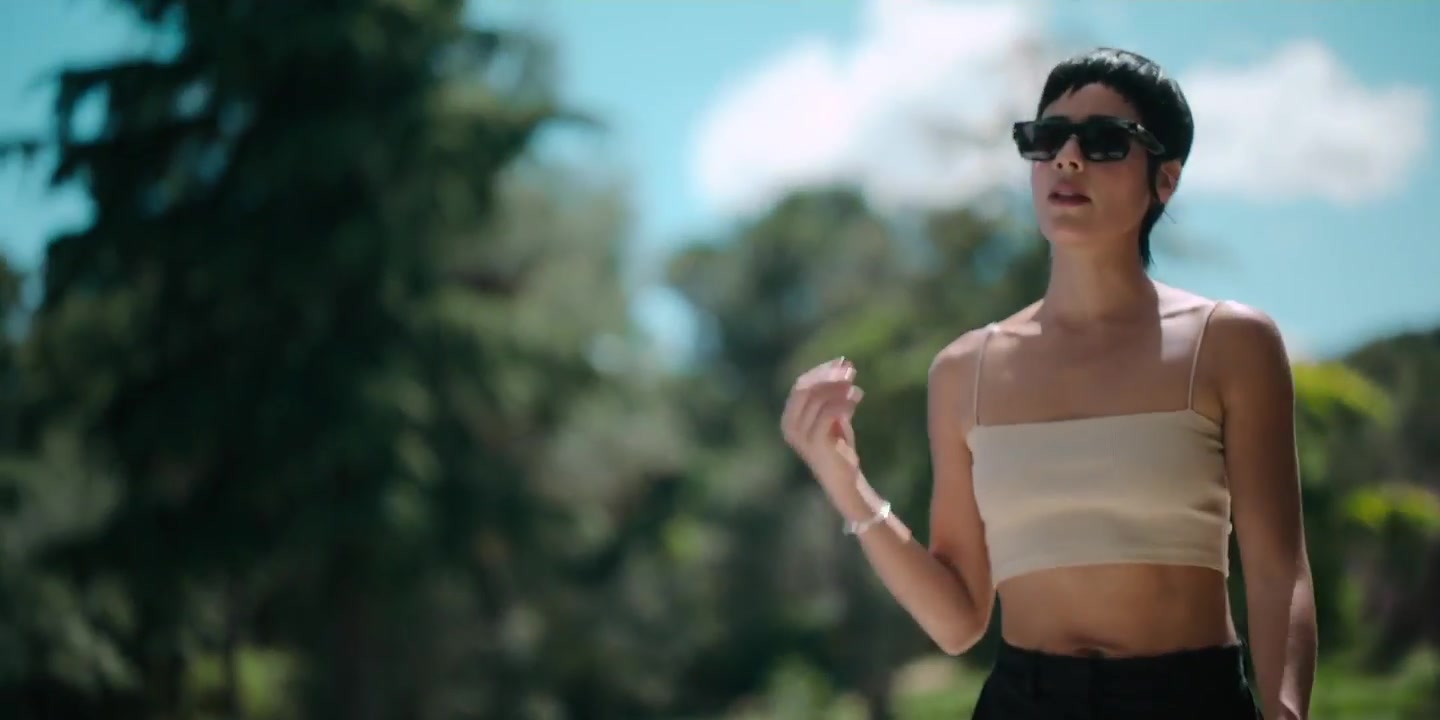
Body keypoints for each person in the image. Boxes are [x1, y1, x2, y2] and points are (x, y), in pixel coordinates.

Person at [780, 48, 1316, 720]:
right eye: (1047, 138)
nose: (1067, 159)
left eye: (1104, 141)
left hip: (1188, 698)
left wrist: (1287, 711)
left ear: (1166, 179)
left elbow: (1278, 570)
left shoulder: (1231, 344)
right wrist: (843, 479)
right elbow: (958, 620)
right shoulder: (965, 372)